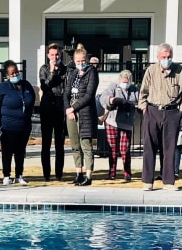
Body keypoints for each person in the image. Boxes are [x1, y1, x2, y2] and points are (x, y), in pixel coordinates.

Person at [138, 42, 182, 191]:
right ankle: (148, 181)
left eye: (169, 56)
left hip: (172, 112)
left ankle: (168, 181)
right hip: (153, 110)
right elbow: (143, 91)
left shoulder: (180, 70)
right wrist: (144, 107)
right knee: (149, 147)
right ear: (158, 57)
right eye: (164, 57)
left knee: (170, 148)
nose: (167, 59)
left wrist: (181, 110)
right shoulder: (151, 70)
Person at [0, 60, 35, 185]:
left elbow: (31, 100)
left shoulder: (26, 85)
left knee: (20, 151)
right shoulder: (2, 87)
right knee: (7, 151)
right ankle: (6, 175)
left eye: (16, 71)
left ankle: (19, 175)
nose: (15, 74)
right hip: (8, 125)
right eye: (12, 73)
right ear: (7, 75)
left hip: (24, 125)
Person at [63, 47, 99, 186]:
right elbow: (66, 93)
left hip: (85, 112)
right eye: (78, 61)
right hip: (71, 111)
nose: (80, 63)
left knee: (86, 144)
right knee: (75, 144)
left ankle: (89, 175)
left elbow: (89, 95)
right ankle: (79, 173)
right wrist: (68, 109)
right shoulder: (72, 74)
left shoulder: (92, 72)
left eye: (83, 61)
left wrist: (74, 107)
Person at [99, 69, 139, 181]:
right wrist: (112, 100)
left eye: (127, 82)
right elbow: (103, 98)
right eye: (123, 81)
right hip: (112, 121)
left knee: (125, 149)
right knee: (113, 149)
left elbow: (140, 101)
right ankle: (112, 172)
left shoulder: (134, 90)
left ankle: (127, 173)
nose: (125, 84)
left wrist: (133, 105)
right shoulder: (113, 87)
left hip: (127, 123)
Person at [39, 42, 67, 181]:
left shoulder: (65, 69)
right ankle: (46, 174)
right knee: (46, 141)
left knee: (59, 142)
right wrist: (51, 71)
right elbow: (45, 86)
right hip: (47, 105)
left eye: (57, 54)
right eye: (52, 55)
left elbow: (65, 88)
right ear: (47, 55)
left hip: (60, 105)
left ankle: (59, 173)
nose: (55, 57)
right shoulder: (44, 68)